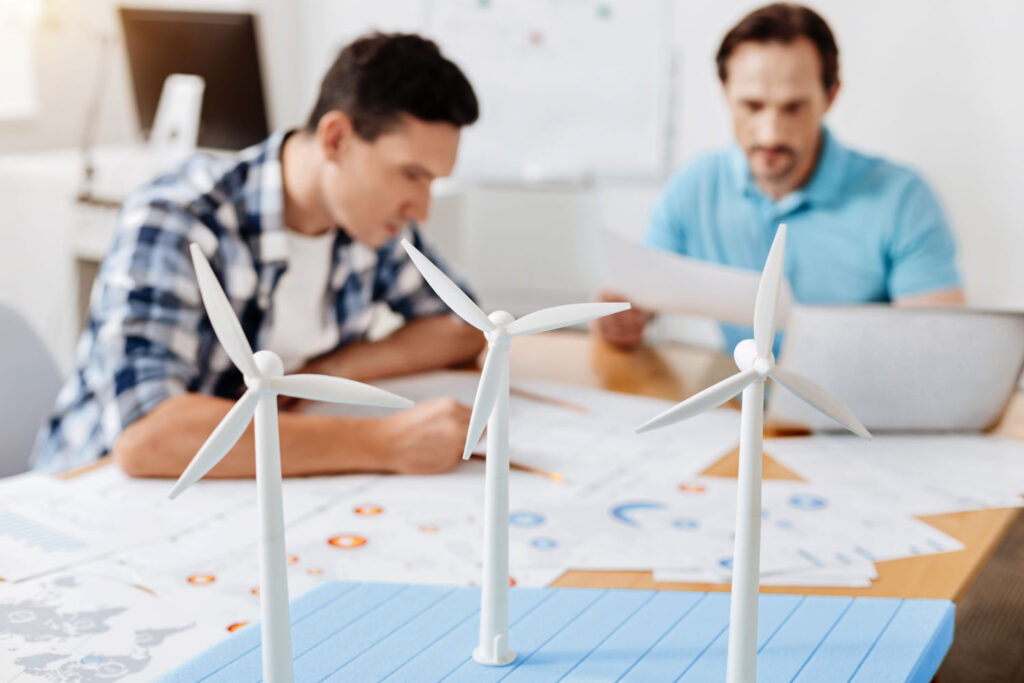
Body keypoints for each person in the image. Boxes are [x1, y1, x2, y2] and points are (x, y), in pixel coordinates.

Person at [33, 33, 487, 478]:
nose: (421, 208)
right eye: (411, 174)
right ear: (335, 139)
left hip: (245, 479)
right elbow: (148, 436)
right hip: (97, 487)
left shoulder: (369, 225)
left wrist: (329, 371)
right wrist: (385, 443)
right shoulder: (179, 215)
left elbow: (462, 324)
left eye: (432, 182)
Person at [596, 3, 964, 351]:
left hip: (857, 413)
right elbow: (639, 295)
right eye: (752, 106)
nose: (770, 133)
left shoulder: (901, 199)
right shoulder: (695, 187)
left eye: (793, 108)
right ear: (725, 93)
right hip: (741, 410)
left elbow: (941, 347)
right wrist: (619, 318)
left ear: (830, 96)